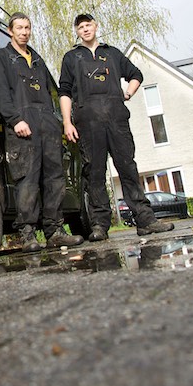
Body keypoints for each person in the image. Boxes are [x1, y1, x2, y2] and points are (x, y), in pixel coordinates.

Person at [58, 13, 174, 241]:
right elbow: (64, 91)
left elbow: (136, 75)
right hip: (88, 124)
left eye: (88, 25)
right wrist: (67, 122)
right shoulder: (72, 58)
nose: (85, 30)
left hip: (117, 121)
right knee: (95, 175)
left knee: (128, 169)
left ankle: (145, 220)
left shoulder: (112, 53)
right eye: (81, 27)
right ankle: (100, 226)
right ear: (77, 32)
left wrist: (128, 92)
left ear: (96, 26)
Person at [0, 12, 83, 251]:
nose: (24, 32)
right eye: (19, 28)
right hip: (23, 128)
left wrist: (57, 123)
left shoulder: (38, 59)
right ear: (10, 31)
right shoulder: (2, 57)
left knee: (55, 180)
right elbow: (1, 94)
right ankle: (28, 235)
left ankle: (55, 231)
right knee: (28, 181)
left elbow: (49, 95)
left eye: (27, 28)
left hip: (47, 128)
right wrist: (15, 120)